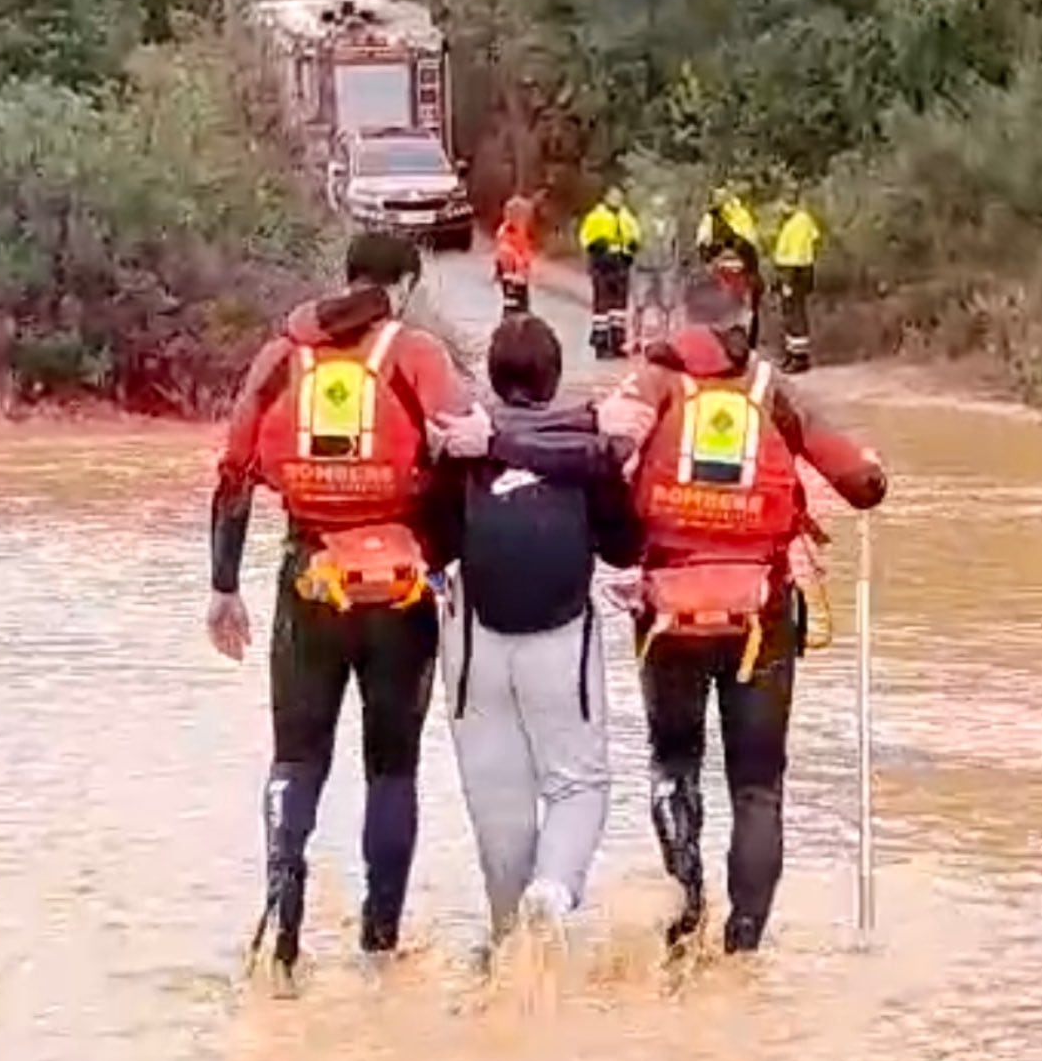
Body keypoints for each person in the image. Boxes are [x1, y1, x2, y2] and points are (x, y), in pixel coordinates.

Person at [207, 231, 472, 989]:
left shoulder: (283, 354)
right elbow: (462, 457)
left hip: (308, 579)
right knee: (392, 769)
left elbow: (233, 476)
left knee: (296, 761)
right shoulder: (417, 355)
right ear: (408, 286)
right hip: (400, 591)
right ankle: (379, 948)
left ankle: (282, 937)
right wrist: (447, 563)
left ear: (346, 277)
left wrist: (223, 587)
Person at [595, 273, 886, 956]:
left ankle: (686, 908)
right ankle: (744, 945)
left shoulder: (652, 383)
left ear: (680, 323)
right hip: (761, 616)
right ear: (746, 318)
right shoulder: (772, 390)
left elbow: (601, 459)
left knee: (674, 764)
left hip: (668, 613)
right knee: (758, 786)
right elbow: (862, 484)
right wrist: (872, 469)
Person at [425, 313, 645, 958]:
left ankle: (504, 946)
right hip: (559, 636)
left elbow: (435, 543)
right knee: (579, 784)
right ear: (552, 381)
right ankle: (551, 892)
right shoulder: (589, 451)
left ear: (493, 377)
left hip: (474, 644)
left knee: (496, 791)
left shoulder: (463, 444)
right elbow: (626, 546)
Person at [695, 186, 764, 349]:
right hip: (720, 273)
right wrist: (709, 259)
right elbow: (702, 243)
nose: (719, 201)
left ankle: (747, 345)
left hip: (741, 272)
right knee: (721, 311)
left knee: (745, 311)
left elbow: (750, 243)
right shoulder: (710, 218)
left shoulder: (741, 216)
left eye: (722, 197)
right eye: (716, 197)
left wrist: (734, 244)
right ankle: (722, 345)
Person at [578, 186, 642, 360]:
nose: (617, 199)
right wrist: (595, 247)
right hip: (602, 264)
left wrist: (633, 246)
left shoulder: (626, 216)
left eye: (619, 196)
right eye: (614, 196)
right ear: (606, 197)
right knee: (602, 306)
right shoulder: (596, 216)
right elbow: (585, 236)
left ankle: (617, 342)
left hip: (620, 264)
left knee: (619, 308)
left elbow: (635, 235)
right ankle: (601, 343)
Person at [772, 193, 822, 374]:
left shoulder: (795, 223)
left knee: (794, 316)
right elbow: (815, 240)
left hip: (793, 271)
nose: (780, 210)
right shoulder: (805, 220)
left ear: (789, 205)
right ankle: (793, 355)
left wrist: (787, 281)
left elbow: (792, 255)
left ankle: (799, 359)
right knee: (794, 314)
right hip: (802, 270)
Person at [632, 193, 680, 348]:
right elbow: (633, 239)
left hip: (665, 266)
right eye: (656, 205)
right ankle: (636, 338)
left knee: (666, 304)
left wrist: (675, 265)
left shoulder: (672, 222)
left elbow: (676, 246)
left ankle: (665, 337)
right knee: (640, 304)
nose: (659, 209)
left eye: (663, 205)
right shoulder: (641, 220)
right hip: (644, 266)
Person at [494, 195, 536, 314]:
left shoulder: (521, 230)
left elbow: (525, 248)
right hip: (511, 275)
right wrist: (518, 262)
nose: (525, 221)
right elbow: (504, 250)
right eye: (523, 217)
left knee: (523, 303)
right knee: (513, 304)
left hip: (521, 275)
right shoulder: (506, 231)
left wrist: (527, 261)